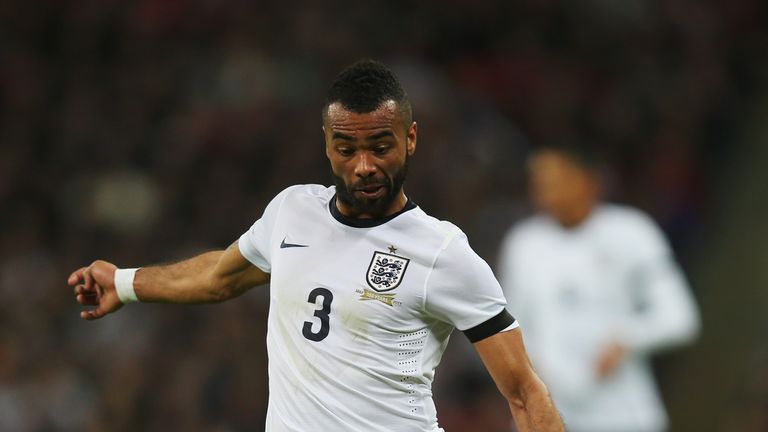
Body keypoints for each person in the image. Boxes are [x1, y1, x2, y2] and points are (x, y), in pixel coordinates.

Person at [69, 60, 564, 432]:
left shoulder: (441, 252)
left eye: (381, 146)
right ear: (326, 144)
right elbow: (219, 278)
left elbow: (523, 390)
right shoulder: (291, 211)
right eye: (347, 149)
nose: (364, 165)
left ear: (411, 139)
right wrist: (126, 283)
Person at [497, 145, 701, 432]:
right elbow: (510, 329)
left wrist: (627, 340)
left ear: (589, 180)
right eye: (540, 182)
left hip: (624, 414)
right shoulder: (523, 244)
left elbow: (680, 317)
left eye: (557, 180)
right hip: (552, 415)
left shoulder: (632, 233)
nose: (545, 191)